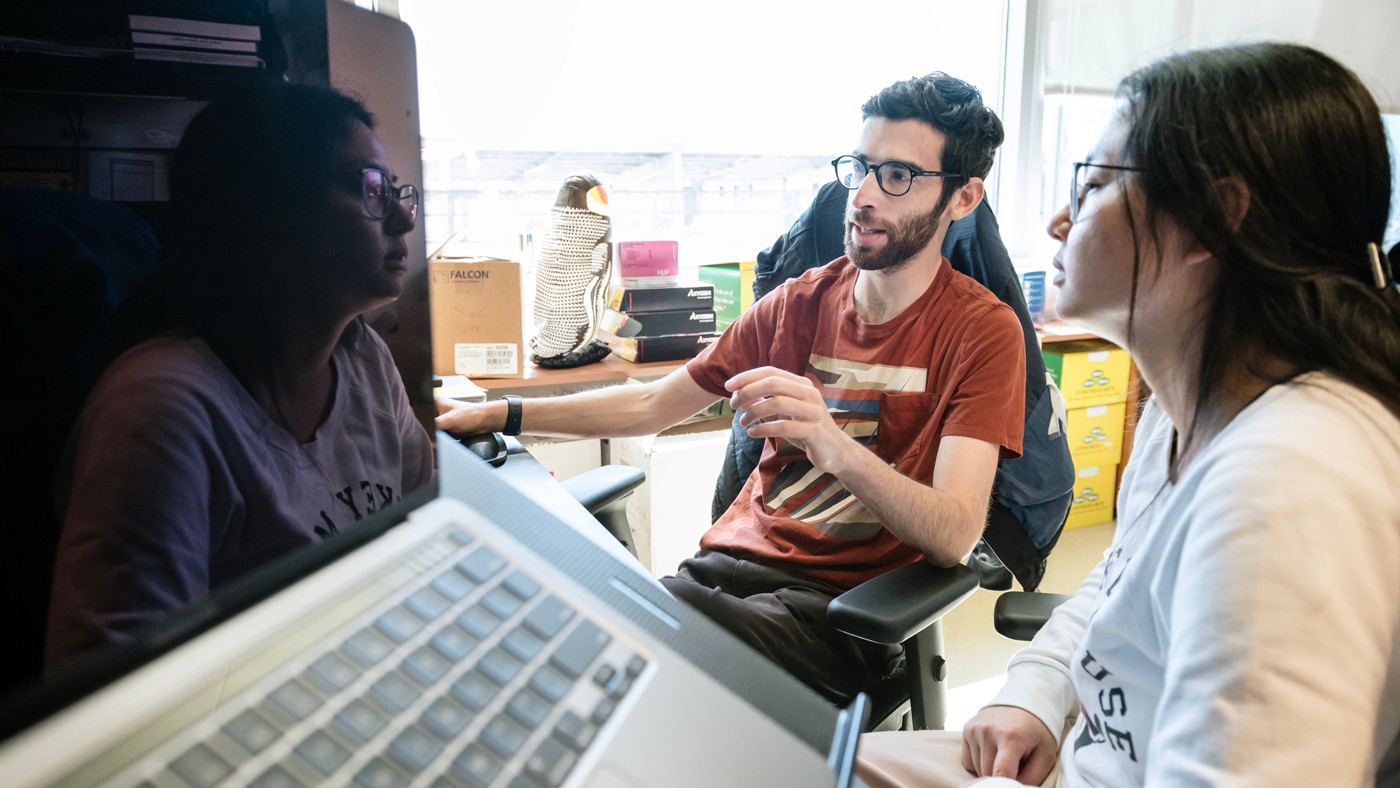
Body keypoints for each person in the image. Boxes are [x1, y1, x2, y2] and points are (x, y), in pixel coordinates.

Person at [856, 41, 1400, 787]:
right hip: (1073, 756)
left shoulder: (1289, 483)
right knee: (768, 760)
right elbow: (1116, 582)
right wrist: (1040, 693)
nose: (1057, 219)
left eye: (1095, 184)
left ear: (1211, 219)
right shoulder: (1186, 413)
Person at [438, 72, 1026, 703]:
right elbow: (651, 404)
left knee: (614, 666)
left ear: (963, 198)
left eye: (898, 176)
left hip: (832, 616)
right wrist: (500, 412)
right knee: (562, 628)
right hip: (721, 575)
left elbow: (955, 534)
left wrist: (833, 444)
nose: (862, 196)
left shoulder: (982, 333)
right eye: (860, 166)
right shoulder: (799, 302)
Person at [45, 81, 436, 670]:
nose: (404, 218)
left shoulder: (362, 361)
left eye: (397, 191)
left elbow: (425, 522)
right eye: (373, 190)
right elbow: (114, 694)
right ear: (272, 208)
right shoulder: (162, 413)